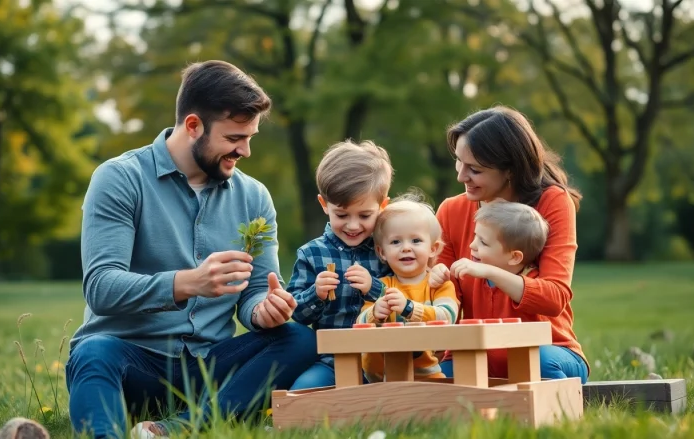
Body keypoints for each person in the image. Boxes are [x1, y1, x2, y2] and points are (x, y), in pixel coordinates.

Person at [66, 60, 317, 439]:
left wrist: (263, 310)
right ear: (194, 125)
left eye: (250, 137)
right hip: (132, 363)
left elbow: (255, 292)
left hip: (208, 368)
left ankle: (178, 428)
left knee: (299, 338)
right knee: (93, 352)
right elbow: (101, 288)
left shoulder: (254, 197)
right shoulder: (119, 178)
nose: (245, 150)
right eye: (234, 138)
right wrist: (187, 283)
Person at [429, 106, 589, 383]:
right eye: (459, 162)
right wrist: (432, 288)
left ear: (510, 170)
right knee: (434, 381)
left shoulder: (552, 202)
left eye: (475, 169)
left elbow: (554, 298)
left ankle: (556, 403)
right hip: (476, 353)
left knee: (538, 363)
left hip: (547, 349)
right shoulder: (451, 211)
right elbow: (445, 301)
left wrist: (490, 272)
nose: (461, 177)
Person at [288, 140, 394, 390]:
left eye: (365, 215)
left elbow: (408, 297)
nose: (353, 225)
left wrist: (374, 288)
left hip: (382, 362)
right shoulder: (311, 254)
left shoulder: (388, 250)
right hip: (331, 361)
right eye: (342, 215)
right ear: (324, 205)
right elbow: (296, 314)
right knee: (302, 393)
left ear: (383, 206)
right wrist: (315, 294)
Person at [356, 191, 459, 382]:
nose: (406, 247)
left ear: (433, 248)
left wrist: (409, 308)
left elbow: (448, 317)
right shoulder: (382, 287)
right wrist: (374, 313)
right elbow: (359, 325)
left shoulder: (438, 285)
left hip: (428, 377)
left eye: (416, 240)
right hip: (382, 380)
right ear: (382, 252)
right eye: (396, 241)